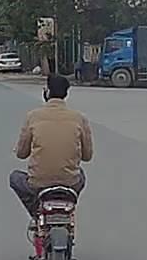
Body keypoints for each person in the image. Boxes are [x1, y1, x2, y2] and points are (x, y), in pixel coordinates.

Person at [10, 73, 93, 218]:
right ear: (66, 94)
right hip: (70, 182)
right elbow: (87, 156)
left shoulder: (32, 116)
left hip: (38, 183)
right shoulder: (80, 118)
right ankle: (69, 205)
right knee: (81, 174)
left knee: (15, 177)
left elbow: (21, 154)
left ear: (47, 92)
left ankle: (36, 212)